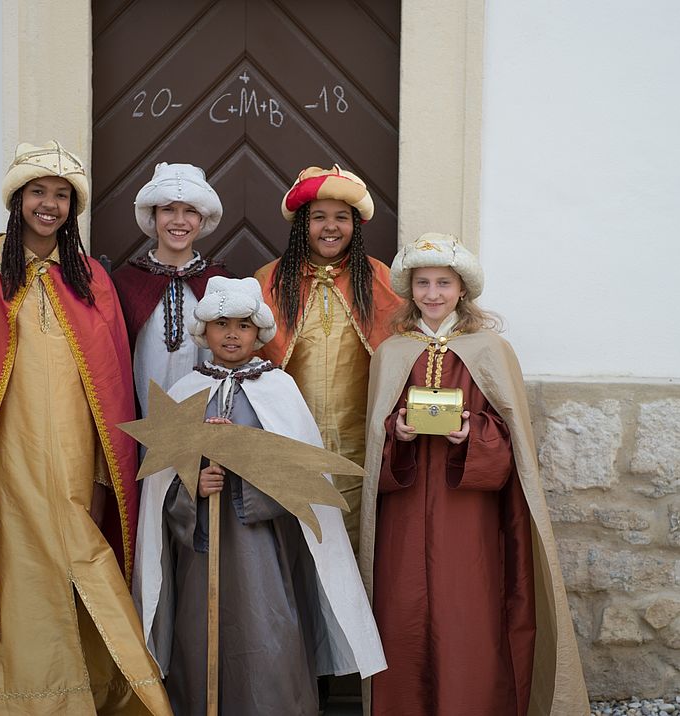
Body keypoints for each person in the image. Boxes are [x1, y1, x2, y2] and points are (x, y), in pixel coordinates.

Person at [0, 140, 171, 715]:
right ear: (17, 199)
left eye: (61, 197)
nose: (48, 205)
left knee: (85, 558)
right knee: (23, 574)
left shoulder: (90, 277)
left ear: (73, 209)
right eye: (37, 193)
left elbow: (112, 376)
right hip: (11, 455)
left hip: (78, 456)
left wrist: (108, 464)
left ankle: (114, 693)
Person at [359, 234, 590, 715]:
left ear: (462, 289)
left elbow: (513, 440)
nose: (433, 293)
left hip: (469, 509)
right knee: (402, 610)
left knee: (468, 610)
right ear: (410, 290)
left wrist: (474, 434)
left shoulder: (490, 350)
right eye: (423, 283)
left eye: (443, 283)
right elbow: (376, 438)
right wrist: (396, 433)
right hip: (404, 507)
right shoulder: (391, 352)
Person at [134, 276, 386, 714]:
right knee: (200, 633)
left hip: (263, 548)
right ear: (205, 331)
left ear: (258, 334)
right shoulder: (185, 392)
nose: (232, 334)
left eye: (244, 326)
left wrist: (247, 476)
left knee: (266, 630)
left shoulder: (280, 390)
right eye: (222, 324)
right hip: (202, 547)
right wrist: (193, 486)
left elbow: (302, 483)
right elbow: (161, 487)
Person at [254, 164, 402, 557]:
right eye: (319, 217)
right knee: (295, 548)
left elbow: (407, 360)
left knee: (355, 546)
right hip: (288, 443)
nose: (330, 227)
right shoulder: (269, 281)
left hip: (359, 449)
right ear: (303, 224)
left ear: (356, 223)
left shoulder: (380, 280)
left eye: (341, 217)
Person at [112, 162, 230, 415]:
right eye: (168, 210)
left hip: (207, 419)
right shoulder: (125, 284)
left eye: (190, 211)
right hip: (141, 418)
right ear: (154, 216)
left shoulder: (220, 283)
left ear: (201, 219)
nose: (179, 220)